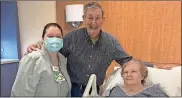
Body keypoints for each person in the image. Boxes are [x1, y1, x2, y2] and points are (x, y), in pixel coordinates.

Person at [25, 2, 172, 97]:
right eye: (90, 18)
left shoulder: (111, 42)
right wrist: (38, 45)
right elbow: (54, 49)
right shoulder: (72, 38)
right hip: (72, 88)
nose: (93, 22)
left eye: (97, 18)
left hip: (94, 89)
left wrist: (154, 66)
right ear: (83, 18)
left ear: (103, 19)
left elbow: (127, 61)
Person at [11, 23, 71, 97]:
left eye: (58, 37)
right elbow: (20, 93)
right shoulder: (33, 59)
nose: (55, 40)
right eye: (50, 36)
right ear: (43, 39)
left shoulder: (62, 59)